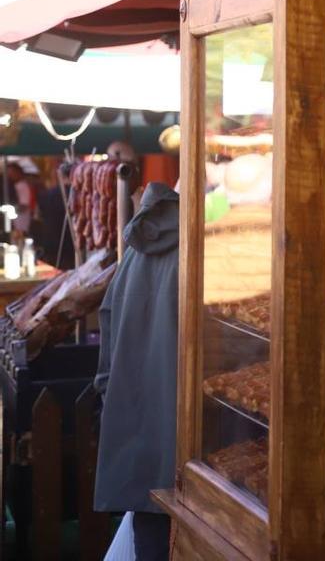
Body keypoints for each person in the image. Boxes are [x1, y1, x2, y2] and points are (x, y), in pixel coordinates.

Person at [94, 182, 180, 561]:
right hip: (195, 457)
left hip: (142, 445)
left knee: (151, 542)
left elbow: (107, 331)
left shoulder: (136, 248)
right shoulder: (207, 248)